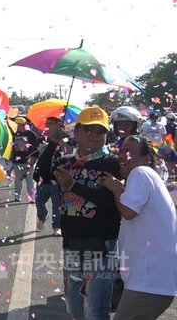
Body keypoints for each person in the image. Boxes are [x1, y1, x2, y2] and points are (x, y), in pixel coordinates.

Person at [52, 107, 122, 320]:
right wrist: (54, 140)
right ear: (77, 132)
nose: (94, 134)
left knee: (95, 309)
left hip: (101, 245)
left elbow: (109, 202)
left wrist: (72, 185)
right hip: (72, 244)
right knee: (73, 305)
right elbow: (42, 173)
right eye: (88, 129)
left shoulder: (111, 162)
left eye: (99, 130)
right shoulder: (66, 162)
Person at [98, 135, 177, 320]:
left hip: (148, 283)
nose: (122, 156)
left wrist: (116, 188)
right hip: (151, 281)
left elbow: (128, 212)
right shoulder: (148, 178)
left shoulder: (141, 172)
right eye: (121, 151)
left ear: (146, 158)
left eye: (129, 152)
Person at [33, 116, 72, 236]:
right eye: (47, 124)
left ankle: (57, 226)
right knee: (39, 201)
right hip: (41, 178)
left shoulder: (63, 140)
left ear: (58, 125)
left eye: (51, 124)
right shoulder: (42, 140)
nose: (48, 126)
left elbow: (69, 151)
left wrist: (60, 139)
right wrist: (27, 168)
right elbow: (35, 156)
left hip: (57, 180)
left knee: (57, 206)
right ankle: (43, 216)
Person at [11, 116, 39, 203]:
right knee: (18, 181)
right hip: (18, 162)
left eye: (18, 125)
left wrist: (31, 160)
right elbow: (13, 147)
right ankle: (17, 196)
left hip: (29, 161)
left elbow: (35, 148)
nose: (17, 126)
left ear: (23, 125)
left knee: (30, 181)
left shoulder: (31, 135)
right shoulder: (15, 135)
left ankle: (32, 197)